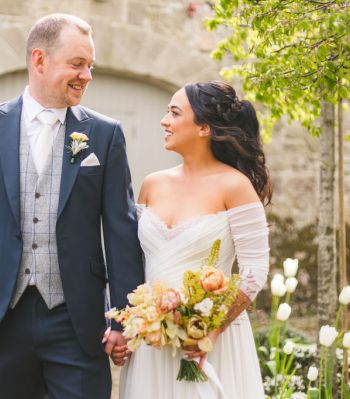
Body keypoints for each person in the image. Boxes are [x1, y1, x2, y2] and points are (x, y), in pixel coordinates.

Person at [0, 14, 144, 399]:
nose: (87, 75)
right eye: (77, 64)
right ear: (39, 60)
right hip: (1, 318)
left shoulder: (105, 134)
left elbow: (121, 231)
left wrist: (123, 317)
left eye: (91, 66)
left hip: (78, 322)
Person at [116, 81, 271, 399]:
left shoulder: (235, 186)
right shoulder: (151, 185)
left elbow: (255, 270)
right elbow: (132, 263)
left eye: (174, 113)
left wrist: (211, 330)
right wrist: (125, 323)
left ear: (203, 127)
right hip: (153, 342)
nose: (164, 121)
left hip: (213, 341)